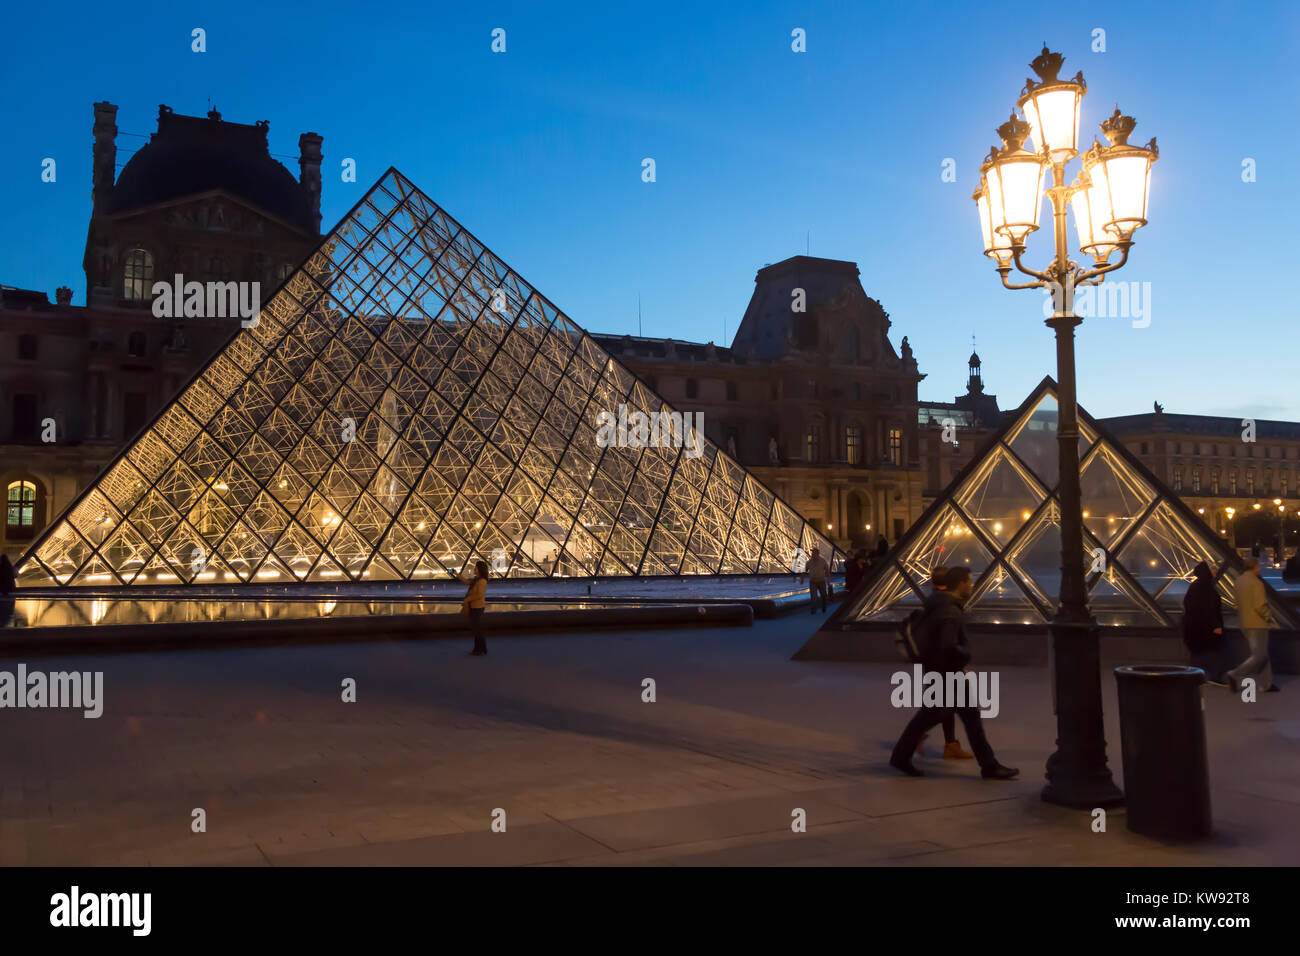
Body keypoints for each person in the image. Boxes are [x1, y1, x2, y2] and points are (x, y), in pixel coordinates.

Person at [889, 566, 1018, 779]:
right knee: (954, 718)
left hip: (939, 671)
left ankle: (989, 765)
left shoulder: (938, 604)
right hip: (948, 674)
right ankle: (989, 766)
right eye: (969, 581)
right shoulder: (950, 610)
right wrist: (965, 655)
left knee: (957, 717)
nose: (971, 585)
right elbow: (948, 645)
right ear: (960, 584)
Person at [913, 567, 974, 760]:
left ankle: (950, 744)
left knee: (943, 706)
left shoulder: (933, 601)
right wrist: (959, 661)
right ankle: (918, 735)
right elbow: (946, 641)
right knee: (945, 707)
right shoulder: (946, 605)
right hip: (943, 665)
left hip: (934, 664)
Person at [1227, 557, 1278, 693]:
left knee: (1262, 654)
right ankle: (1235, 674)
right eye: (1258, 566)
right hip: (1258, 623)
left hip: (1245, 623)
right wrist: (1268, 618)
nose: (1259, 569)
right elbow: (1260, 605)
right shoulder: (1256, 583)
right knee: (1259, 655)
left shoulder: (1238, 581)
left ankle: (1266, 684)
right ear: (1254, 567)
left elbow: (1235, 604)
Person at [1182, 561, 1226, 686]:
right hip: (1206, 627)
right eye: (1213, 570)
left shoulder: (1195, 585)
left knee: (1198, 652)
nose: (1215, 572)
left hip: (1195, 627)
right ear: (1207, 571)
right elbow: (1209, 608)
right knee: (1214, 651)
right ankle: (1214, 676)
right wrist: (1216, 625)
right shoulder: (1206, 587)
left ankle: (1194, 676)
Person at [456, 560, 490, 656]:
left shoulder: (482, 581)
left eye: (476, 568)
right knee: (476, 629)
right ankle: (479, 648)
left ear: (480, 569)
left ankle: (481, 648)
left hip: (477, 607)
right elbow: (467, 582)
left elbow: (479, 595)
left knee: (477, 629)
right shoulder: (476, 579)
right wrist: (457, 575)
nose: (474, 569)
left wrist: (467, 599)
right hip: (473, 606)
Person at [806, 547, 829, 614]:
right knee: (813, 596)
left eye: (814, 552)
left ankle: (824, 608)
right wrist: (802, 578)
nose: (812, 554)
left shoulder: (823, 561)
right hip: (813, 581)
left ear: (817, 553)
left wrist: (828, 579)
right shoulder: (809, 562)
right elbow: (805, 570)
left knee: (824, 595)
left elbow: (827, 570)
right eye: (812, 553)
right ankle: (813, 610)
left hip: (821, 581)